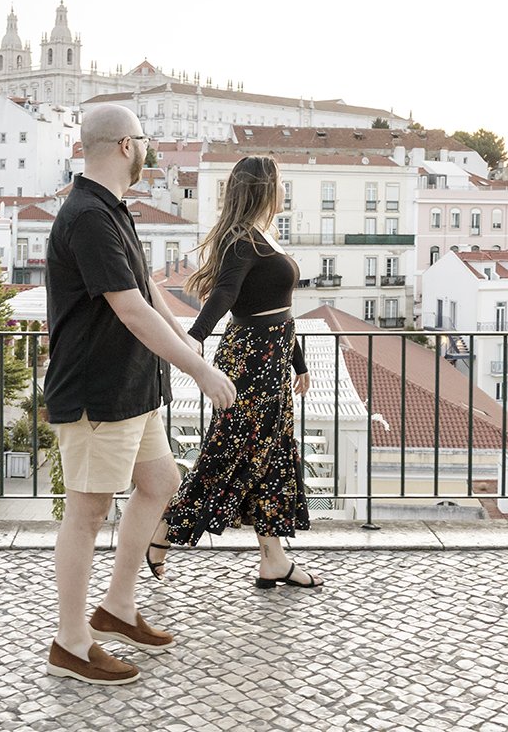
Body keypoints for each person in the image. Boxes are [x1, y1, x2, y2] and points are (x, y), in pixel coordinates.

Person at [42, 104, 237, 685]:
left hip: (131, 386)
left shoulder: (111, 209)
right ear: (127, 145)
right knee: (88, 511)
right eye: (146, 140)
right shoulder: (88, 217)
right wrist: (198, 372)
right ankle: (71, 643)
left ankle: (117, 607)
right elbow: (127, 309)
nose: (149, 148)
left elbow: (147, 288)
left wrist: (187, 342)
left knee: (160, 482)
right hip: (95, 391)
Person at [148, 154, 324, 590]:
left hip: (272, 359)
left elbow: (277, 307)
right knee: (231, 455)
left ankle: (273, 560)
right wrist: (195, 337)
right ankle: (164, 531)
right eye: (281, 183)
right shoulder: (243, 240)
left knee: (273, 458)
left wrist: (297, 361)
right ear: (265, 188)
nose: (285, 191)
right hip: (252, 363)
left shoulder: (265, 234)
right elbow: (226, 293)